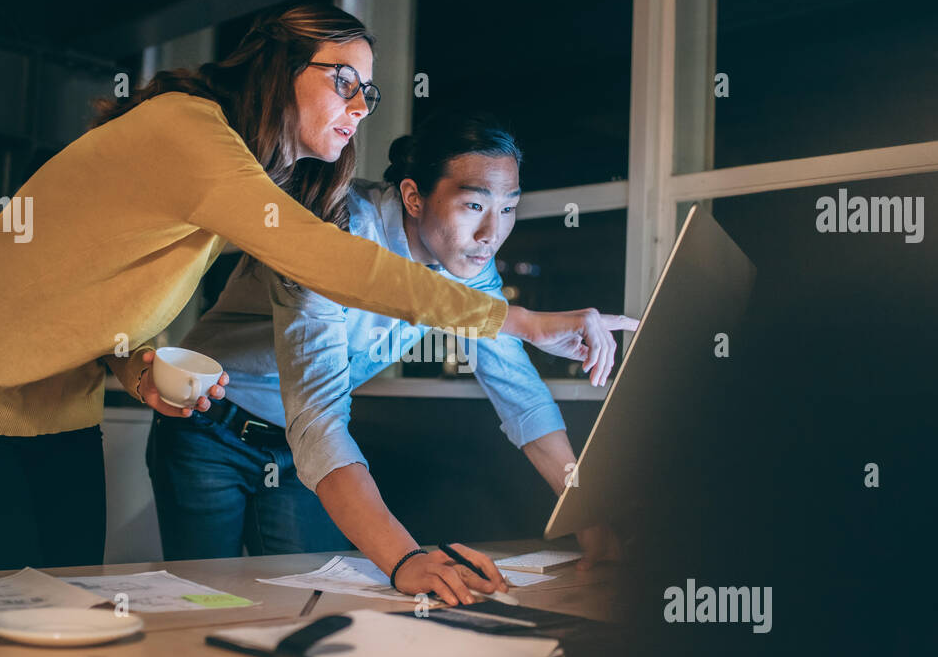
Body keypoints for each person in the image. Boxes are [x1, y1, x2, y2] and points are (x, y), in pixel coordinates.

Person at [0, 4, 623, 575]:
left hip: (58, 400)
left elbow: (108, 294)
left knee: (58, 602)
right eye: (344, 81)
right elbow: (331, 262)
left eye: (369, 93)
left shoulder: (246, 173)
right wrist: (520, 320)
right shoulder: (193, 134)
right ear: (279, 67)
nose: (361, 106)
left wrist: (133, 366)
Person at [148, 112, 634, 604]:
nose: (493, 232)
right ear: (413, 196)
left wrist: (589, 521)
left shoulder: (467, 268)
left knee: (312, 604)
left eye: (508, 209)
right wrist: (405, 558)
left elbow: (521, 400)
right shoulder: (335, 227)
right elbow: (319, 416)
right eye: (473, 205)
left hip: (300, 455)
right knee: (204, 598)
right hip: (208, 424)